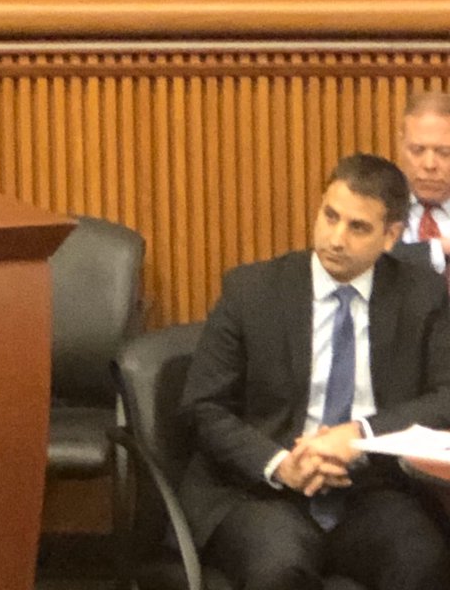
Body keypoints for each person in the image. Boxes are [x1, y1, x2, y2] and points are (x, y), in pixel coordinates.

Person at [180, 153, 450, 590]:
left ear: (390, 236)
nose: (336, 239)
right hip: (263, 491)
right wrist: (280, 464)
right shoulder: (252, 290)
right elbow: (203, 407)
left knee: (422, 561)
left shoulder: (421, 294)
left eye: (358, 227)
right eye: (330, 216)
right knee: (279, 568)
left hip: (371, 489)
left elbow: (446, 397)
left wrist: (359, 434)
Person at [393, 91, 450, 277]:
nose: (429, 165)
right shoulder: (378, 206)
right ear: (401, 145)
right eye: (417, 150)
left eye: (444, 153)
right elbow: (366, 259)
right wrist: (438, 249)